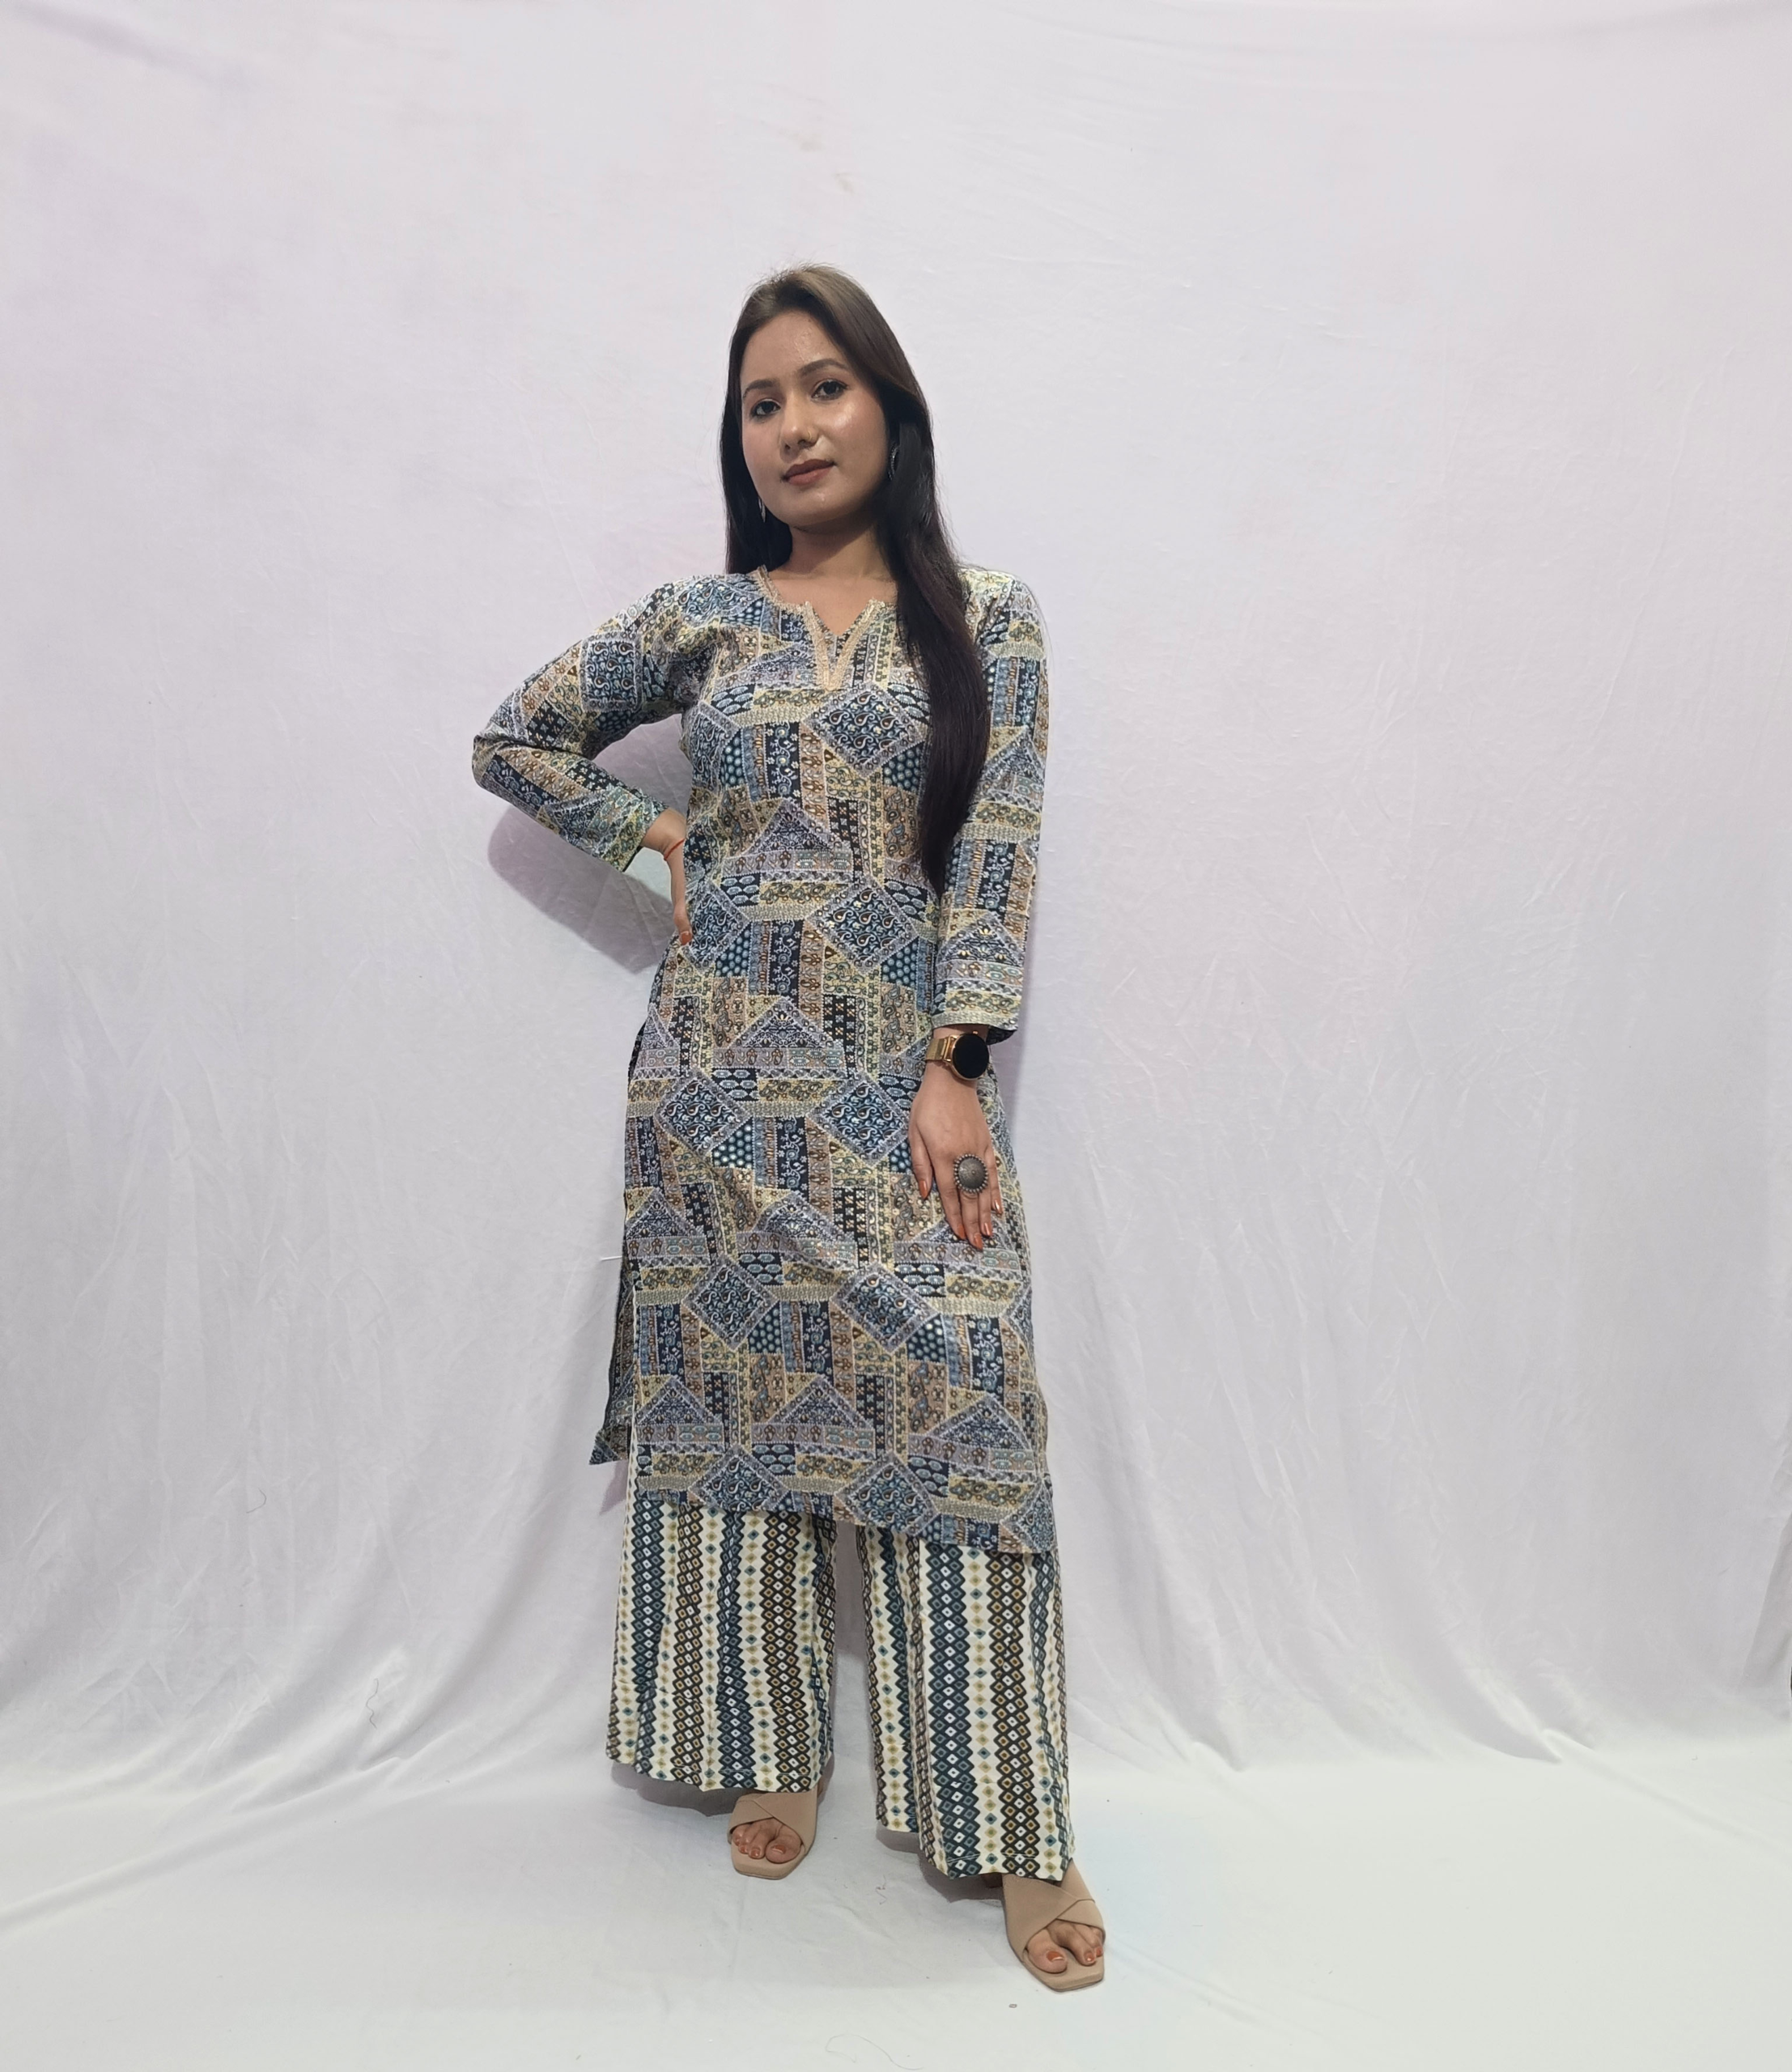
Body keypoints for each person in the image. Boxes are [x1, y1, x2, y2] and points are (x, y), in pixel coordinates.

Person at [472, 265, 1105, 1990]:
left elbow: (1000, 849)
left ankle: (1011, 1821)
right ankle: (769, 1746)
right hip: (714, 1100)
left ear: (888, 405)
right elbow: (513, 739)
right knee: (738, 1413)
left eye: (824, 387)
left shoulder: (987, 619)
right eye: (762, 403)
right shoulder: (704, 618)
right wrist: (651, 835)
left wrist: (957, 1058)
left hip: (895, 1091)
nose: (795, 427)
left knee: (968, 1411)